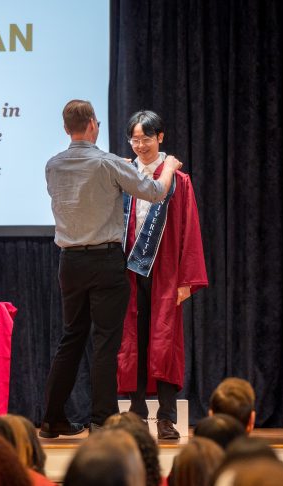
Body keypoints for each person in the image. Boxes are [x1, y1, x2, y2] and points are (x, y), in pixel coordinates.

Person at [42, 100, 182, 437]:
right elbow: (153, 192)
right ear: (92, 125)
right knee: (105, 341)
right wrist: (171, 168)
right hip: (104, 261)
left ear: (66, 129)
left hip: (69, 262)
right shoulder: (107, 163)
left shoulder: (53, 164)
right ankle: (100, 420)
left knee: (71, 338)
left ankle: (51, 419)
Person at [117, 110, 207, 440]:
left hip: (166, 272)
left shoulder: (178, 182)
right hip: (129, 272)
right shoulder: (124, 176)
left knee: (165, 343)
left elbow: (189, 231)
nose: (140, 145)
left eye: (145, 138)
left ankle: (166, 417)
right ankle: (137, 412)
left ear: (160, 137)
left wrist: (187, 279)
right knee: (133, 342)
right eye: (134, 139)